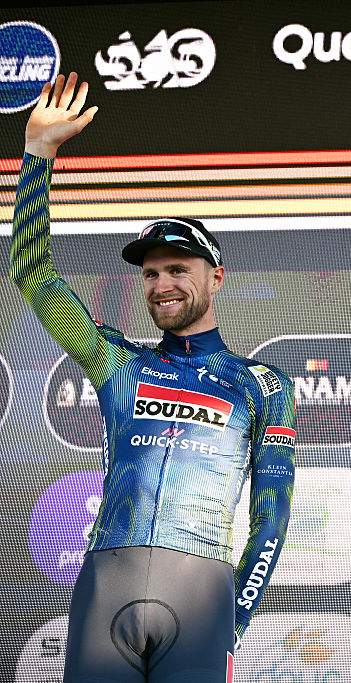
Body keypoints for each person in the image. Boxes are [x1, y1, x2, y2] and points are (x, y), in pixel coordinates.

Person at [11, 73, 296, 682]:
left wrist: (235, 613)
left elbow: (272, 513)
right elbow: (34, 277)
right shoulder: (118, 361)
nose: (162, 284)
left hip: (205, 593)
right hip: (106, 585)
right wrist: (37, 159)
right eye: (150, 274)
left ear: (215, 277)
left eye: (177, 269)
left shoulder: (264, 385)